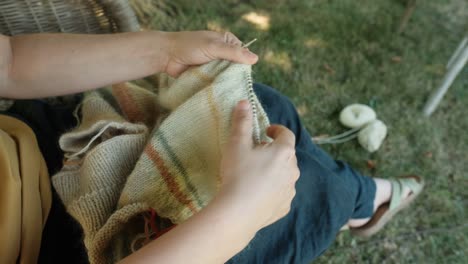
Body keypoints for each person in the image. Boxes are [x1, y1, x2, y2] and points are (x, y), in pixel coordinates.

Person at [0, 31, 423, 263]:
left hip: (48, 144)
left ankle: (360, 199)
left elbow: (8, 63)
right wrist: (239, 215)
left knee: (266, 109)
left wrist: (165, 51)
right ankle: (365, 197)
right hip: (70, 248)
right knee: (311, 191)